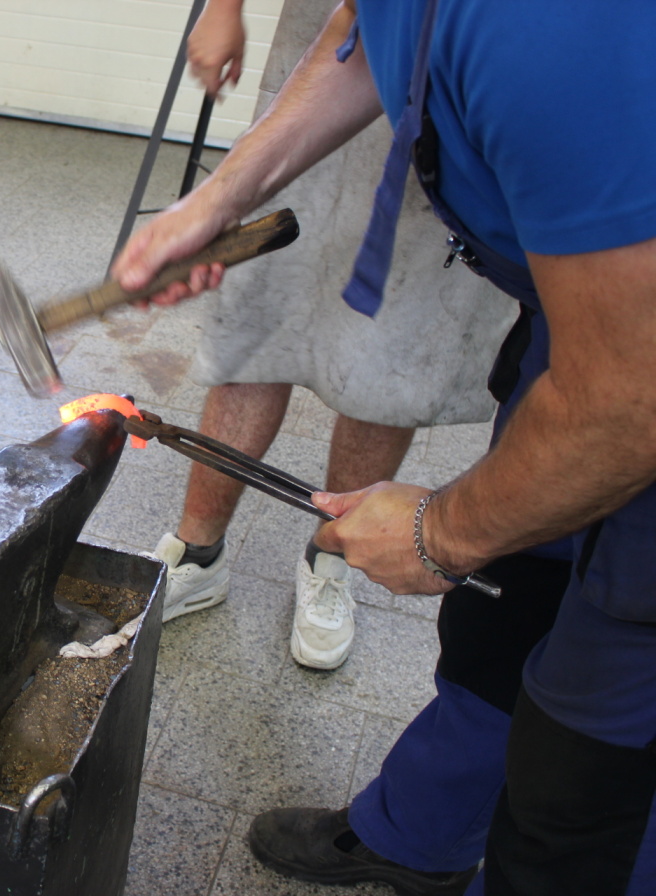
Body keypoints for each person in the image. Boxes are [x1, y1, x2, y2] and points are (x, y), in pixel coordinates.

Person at [113, 1, 656, 894]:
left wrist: (439, 532)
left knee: (594, 763)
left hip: (633, 382)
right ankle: (421, 833)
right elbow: (360, 33)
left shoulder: (564, 29)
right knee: (511, 602)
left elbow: (626, 405)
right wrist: (218, 199)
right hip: (585, 329)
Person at [151, 0, 514, 671]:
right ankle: (197, 554)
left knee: (390, 353)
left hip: (464, 92)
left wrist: (449, 534)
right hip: (321, 62)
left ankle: (333, 558)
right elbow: (357, 25)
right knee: (258, 325)